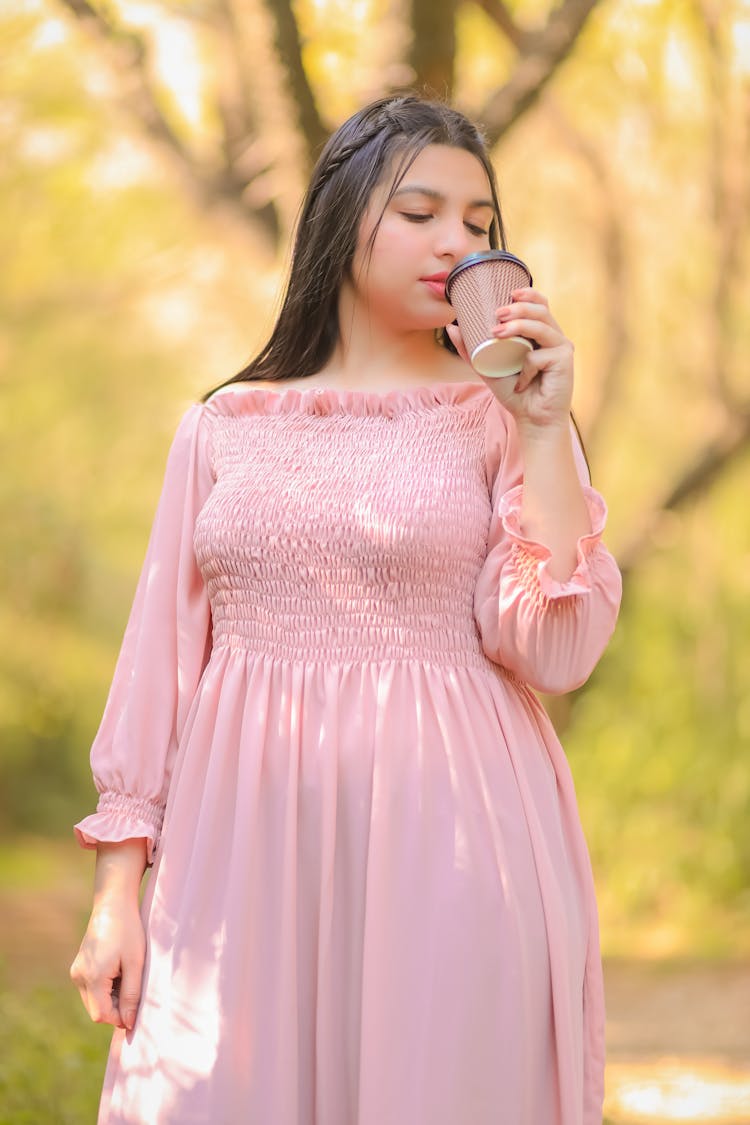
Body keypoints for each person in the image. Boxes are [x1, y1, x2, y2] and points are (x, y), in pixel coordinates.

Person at [71, 93, 622, 1125]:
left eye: (477, 223)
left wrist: (545, 428)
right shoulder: (222, 428)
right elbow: (158, 668)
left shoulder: (503, 418)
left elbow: (555, 645)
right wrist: (116, 902)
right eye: (419, 212)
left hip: (456, 839)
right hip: (240, 847)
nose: (454, 242)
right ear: (341, 214)